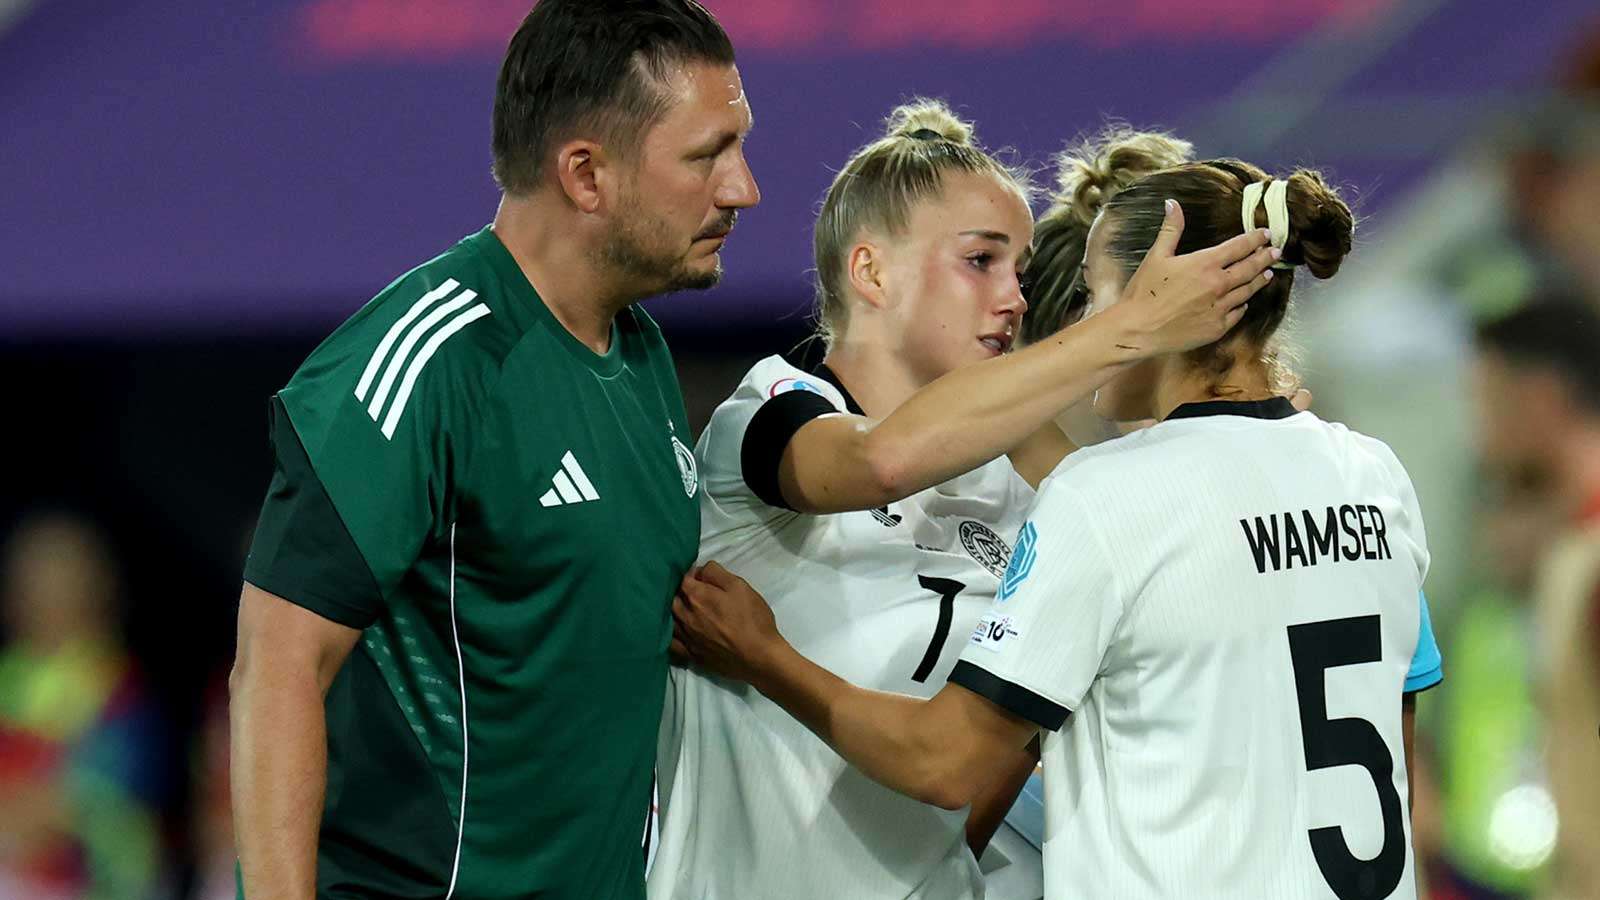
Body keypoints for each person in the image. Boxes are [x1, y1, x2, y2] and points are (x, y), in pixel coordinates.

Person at [672, 158, 1447, 899]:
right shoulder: (1374, 476)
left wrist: (765, 656)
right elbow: (1398, 749)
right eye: (983, 262)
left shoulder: (1100, 498)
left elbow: (946, 759)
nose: (1045, 311)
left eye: (1089, 292)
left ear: (1166, 302)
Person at [229, 2, 758, 898]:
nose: (742, 188)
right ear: (585, 174)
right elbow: (276, 672)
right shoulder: (426, 361)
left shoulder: (642, 357)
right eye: (708, 154)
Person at [1474, 299, 1600, 900]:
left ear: (1539, 399)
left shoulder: (1591, 564)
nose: (1478, 435)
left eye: (1485, 400)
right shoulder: (1567, 552)